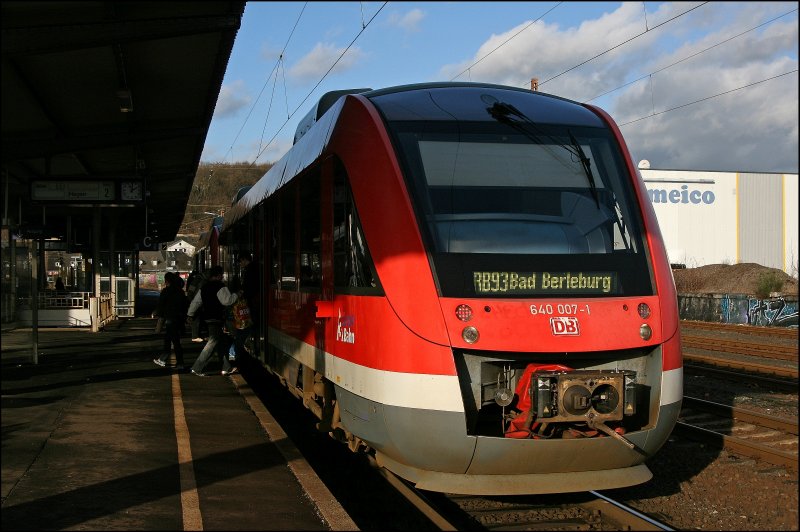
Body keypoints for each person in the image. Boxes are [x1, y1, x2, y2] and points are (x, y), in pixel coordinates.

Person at [187, 265, 239, 377]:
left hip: (207, 318)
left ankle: (226, 367)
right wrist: (236, 295)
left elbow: (196, 302)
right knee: (212, 342)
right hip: (217, 317)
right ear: (219, 275)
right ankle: (197, 367)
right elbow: (227, 301)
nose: (223, 277)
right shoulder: (221, 286)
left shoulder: (204, 287)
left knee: (222, 343)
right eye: (222, 275)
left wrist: (190, 314)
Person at [152, 272, 188, 370]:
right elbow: (185, 305)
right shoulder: (180, 292)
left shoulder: (166, 291)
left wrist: (157, 314)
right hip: (178, 319)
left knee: (173, 341)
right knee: (171, 340)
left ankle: (178, 362)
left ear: (167, 281)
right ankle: (164, 359)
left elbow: (161, 305)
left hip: (170, 319)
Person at [239, 251, 259, 353]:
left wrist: (242, 294)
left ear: (244, 260)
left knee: (251, 324)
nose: (240, 264)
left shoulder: (249, 270)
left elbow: (248, 287)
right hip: (256, 301)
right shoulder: (257, 268)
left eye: (240, 261)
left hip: (253, 302)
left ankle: (252, 345)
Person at [186, 270, 206, 342]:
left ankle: (196, 335)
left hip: (196, 301)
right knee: (196, 319)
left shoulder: (197, 279)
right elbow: (191, 291)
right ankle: (195, 336)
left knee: (197, 318)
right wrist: (191, 300)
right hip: (197, 301)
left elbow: (190, 290)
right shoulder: (199, 280)